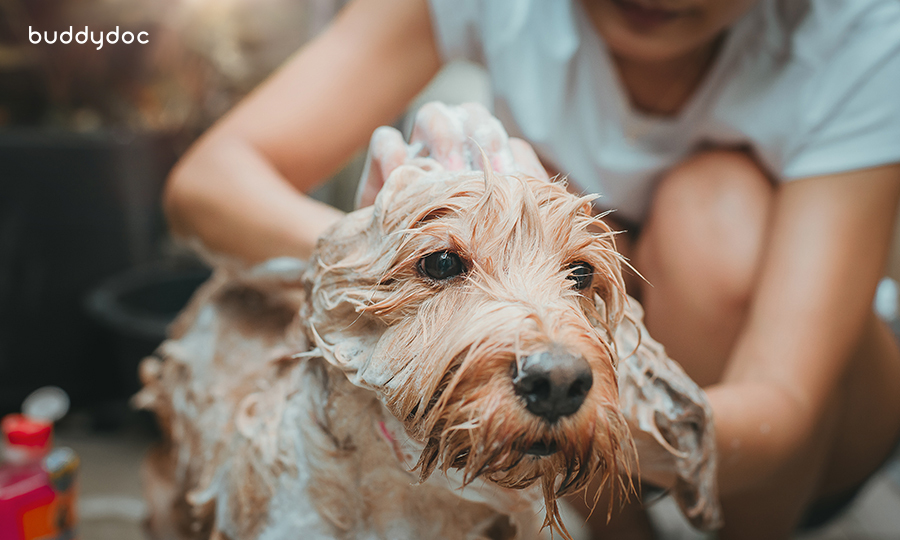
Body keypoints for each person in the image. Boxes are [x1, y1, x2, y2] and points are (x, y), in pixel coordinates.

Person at [163, 0, 900, 537]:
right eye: (446, 266)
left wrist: (615, 417)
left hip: (797, 437)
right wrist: (412, 261)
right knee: (520, 184)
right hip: (589, 392)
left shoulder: (864, 32)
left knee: (715, 209)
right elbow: (209, 184)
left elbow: (785, 406)